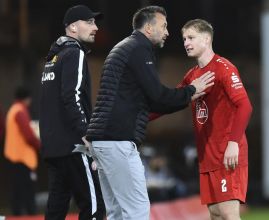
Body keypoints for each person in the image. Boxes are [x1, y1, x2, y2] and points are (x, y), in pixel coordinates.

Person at [86, 6, 214, 220]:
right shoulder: (138, 48)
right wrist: (192, 90)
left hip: (102, 141)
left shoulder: (123, 47)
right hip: (117, 140)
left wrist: (185, 95)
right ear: (148, 28)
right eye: (163, 26)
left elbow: (146, 102)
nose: (167, 32)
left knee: (117, 213)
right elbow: (157, 96)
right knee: (137, 212)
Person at [178, 19, 253, 220]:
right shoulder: (192, 76)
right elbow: (171, 102)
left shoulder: (223, 68)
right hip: (208, 157)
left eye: (191, 37)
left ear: (206, 38)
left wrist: (233, 144)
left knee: (229, 215)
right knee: (216, 214)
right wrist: (137, 116)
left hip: (226, 154)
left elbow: (245, 106)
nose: (186, 42)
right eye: (184, 38)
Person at [39, 5, 105, 220]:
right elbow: (72, 96)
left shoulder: (52, 59)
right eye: (90, 22)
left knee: (56, 210)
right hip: (75, 146)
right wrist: (86, 132)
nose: (95, 27)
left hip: (54, 148)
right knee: (94, 207)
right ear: (73, 27)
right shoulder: (74, 53)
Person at [4, 86, 40, 215]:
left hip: (13, 156)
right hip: (23, 158)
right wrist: (40, 145)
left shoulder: (12, 110)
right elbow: (29, 135)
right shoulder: (21, 111)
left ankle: (17, 215)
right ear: (27, 98)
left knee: (17, 192)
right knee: (27, 193)